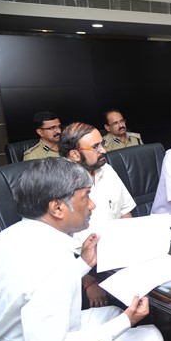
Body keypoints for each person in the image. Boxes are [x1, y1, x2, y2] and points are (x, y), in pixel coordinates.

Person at [0, 157, 164, 341]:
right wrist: (126, 322)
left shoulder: (5, 239)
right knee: (151, 336)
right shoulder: (52, 263)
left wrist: (84, 264)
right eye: (86, 196)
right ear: (57, 208)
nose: (92, 205)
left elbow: (36, 288)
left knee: (113, 313)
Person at [59, 122, 136, 309]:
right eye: (95, 147)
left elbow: (125, 212)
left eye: (102, 143)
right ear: (75, 155)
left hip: (119, 256)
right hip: (85, 267)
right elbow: (57, 247)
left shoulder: (107, 170)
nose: (103, 150)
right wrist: (88, 282)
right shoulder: (58, 183)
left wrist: (134, 249)